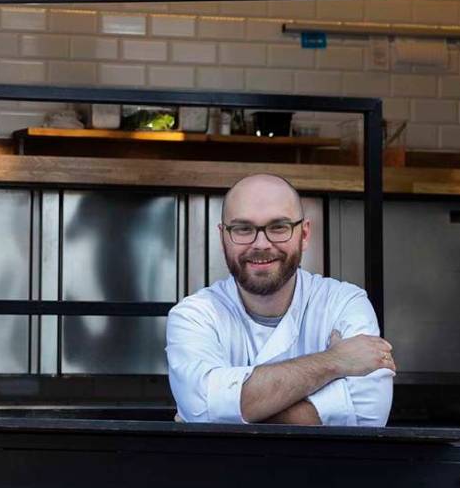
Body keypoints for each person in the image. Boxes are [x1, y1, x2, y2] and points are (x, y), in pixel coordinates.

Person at [166, 174, 395, 426]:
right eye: (243, 229)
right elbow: (202, 409)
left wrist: (231, 410)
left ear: (304, 234)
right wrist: (334, 361)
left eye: (278, 227)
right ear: (223, 237)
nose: (261, 244)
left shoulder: (344, 302)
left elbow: (369, 416)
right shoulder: (194, 314)